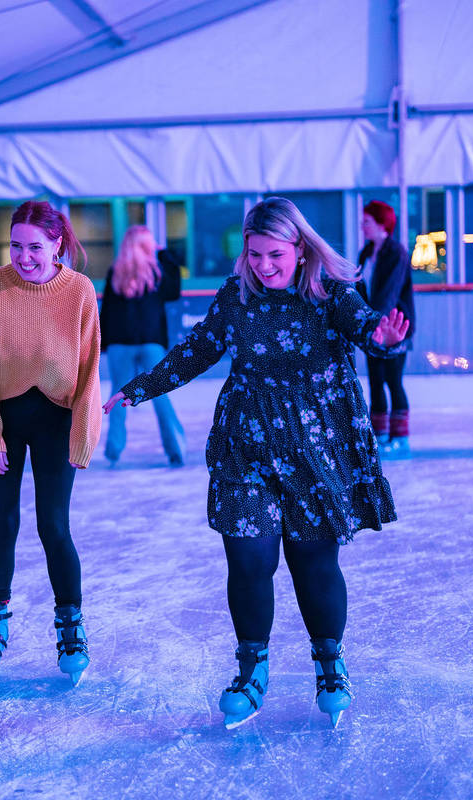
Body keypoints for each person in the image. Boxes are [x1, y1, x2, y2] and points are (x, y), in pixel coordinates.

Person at [103, 197, 410, 729]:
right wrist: (137, 390)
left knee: (313, 564)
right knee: (248, 560)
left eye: (274, 255)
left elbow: (366, 328)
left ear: (300, 248)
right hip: (245, 443)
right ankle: (251, 671)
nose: (263, 266)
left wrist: (382, 338)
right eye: (254, 254)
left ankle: (330, 663)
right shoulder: (237, 295)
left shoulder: (330, 294)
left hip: (317, 447)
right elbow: (196, 350)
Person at [0, 200, 102, 685]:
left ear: (58, 244)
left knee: (53, 526)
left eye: (35, 247)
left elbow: (88, 373)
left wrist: (83, 436)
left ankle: (70, 627)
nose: (25, 256)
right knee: (1, 523)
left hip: (57, 422)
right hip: (3, 421)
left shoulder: (80, 292)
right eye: (16, 245)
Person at [100, 225, 186, 467]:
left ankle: (113, 450)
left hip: (120, 343)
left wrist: (105, 343)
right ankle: (175, 447)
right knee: (159, 393)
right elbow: (174, 293)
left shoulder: (116, 272)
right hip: (150, 342)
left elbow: (106, 311)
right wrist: (165, 255)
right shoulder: (157, 272)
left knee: (118, 393)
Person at [358, 200, 416, 457]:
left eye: (367, 221)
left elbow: (388, 294)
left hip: (394, 327)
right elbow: (361, 289)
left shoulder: (396, 253)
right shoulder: (366, 253)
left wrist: (376, 325)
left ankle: (400, 437)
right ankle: (379, 434)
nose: (362, 226)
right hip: (373, 328)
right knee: (375, 381)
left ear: (382, 223)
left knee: (393, 380)